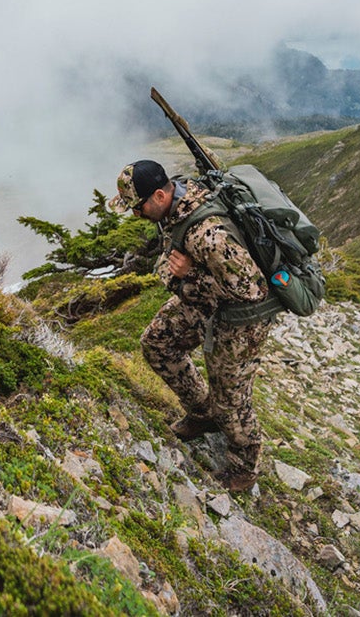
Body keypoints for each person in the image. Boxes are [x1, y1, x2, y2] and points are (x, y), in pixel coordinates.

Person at [114, 158, 276, 492]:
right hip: (209, 301)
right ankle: (202, 414)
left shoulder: (209, 236)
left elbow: (252, 291)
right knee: (158, 342)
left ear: (160, 195)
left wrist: (189, 276)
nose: (135, 214)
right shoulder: (179, 201)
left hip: (241, 318)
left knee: (231, 399)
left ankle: (244, 467)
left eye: (138, 206)